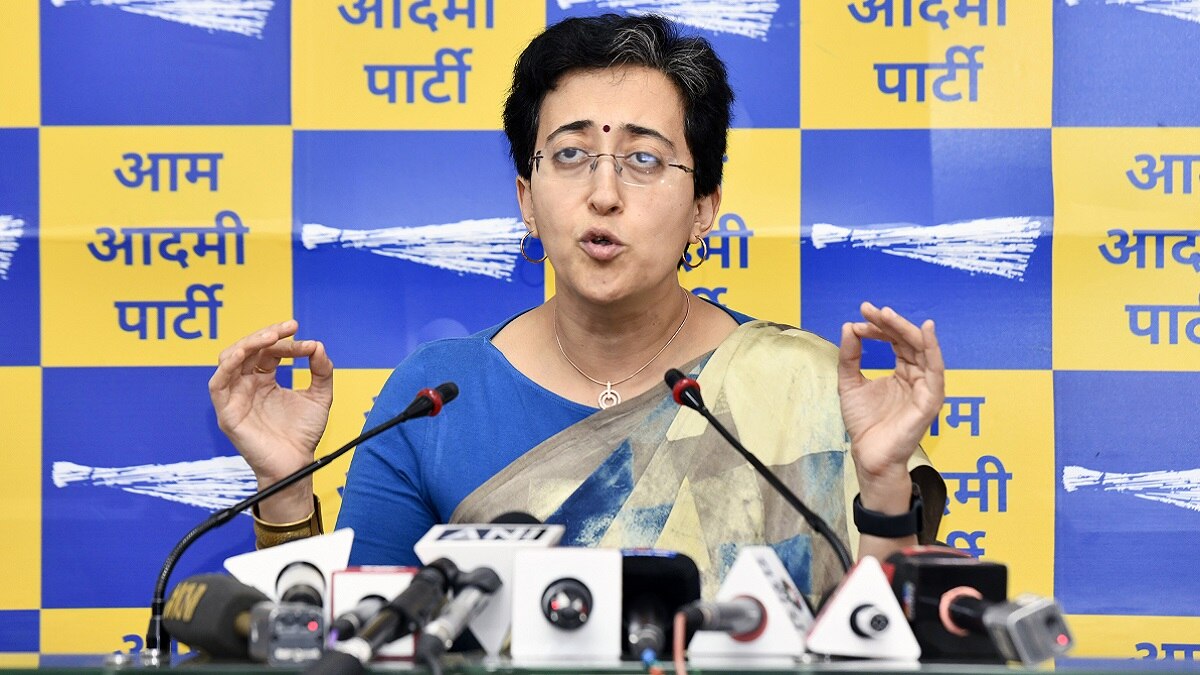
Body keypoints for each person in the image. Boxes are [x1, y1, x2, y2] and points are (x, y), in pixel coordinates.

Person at [209, 14, 946, 599]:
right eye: (569, 155)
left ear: (704, 207)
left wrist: (882, 487)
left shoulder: (806, 387)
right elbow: (353, 646)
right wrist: (285, 491)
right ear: (527, 199)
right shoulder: (436, 397)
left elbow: (896, 643)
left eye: (644, 159)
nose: (604, 193)